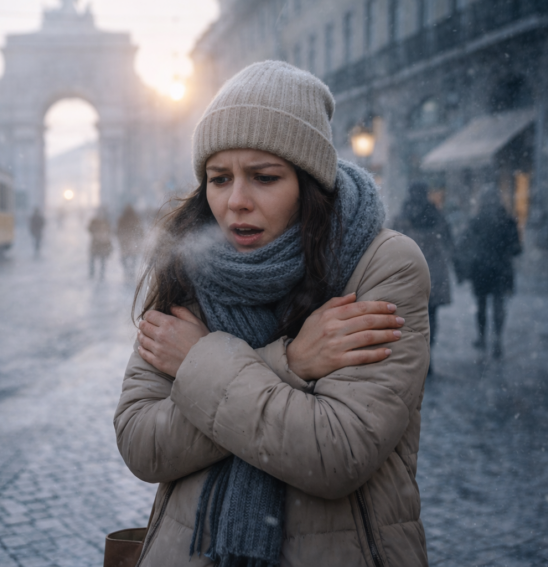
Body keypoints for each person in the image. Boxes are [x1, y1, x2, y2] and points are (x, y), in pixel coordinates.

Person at [114, 61, 430, 567]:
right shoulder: (187, 264)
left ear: (309, 183)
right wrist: (290, 364)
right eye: (219, 179)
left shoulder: (382, 264)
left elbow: (336, 453)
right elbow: (142, 444)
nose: (236, 201)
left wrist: (197, 360)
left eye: (264, 177)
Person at [393, 182, 453, 374]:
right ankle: (428, 355)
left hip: (409, 272)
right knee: (431, 315)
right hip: (432, 271)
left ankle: (416, 356)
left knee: (410, 316)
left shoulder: (403, 215)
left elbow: (390, 243)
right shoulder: (435, 215)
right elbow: (449, 240)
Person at [458, 186, 521, 359]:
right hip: (501, 268)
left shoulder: (476, 220)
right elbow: (517, 248)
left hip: (481, 268)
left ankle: (482, 337)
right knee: (499, 304)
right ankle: (497, 339)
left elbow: (464, 242)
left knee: (481, 305)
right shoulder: (507, 220)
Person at [116, 204, 144, 280]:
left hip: (126, 241)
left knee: (125, 257)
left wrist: (120, 237)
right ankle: (131, 270)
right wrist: (140, 237)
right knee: (132, 256)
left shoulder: (122, 219)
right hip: (132, 240)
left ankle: (127, 270)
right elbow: (140, 229)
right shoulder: (135, 218)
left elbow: (118, 230)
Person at [88, 208, 112, 280]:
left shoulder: (98, 221)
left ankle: (96, 274)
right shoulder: (103, 221)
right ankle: (97, 274)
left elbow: (89, 229)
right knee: (99, 259)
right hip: (99, 244)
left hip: (98, 244)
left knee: (98, 259)